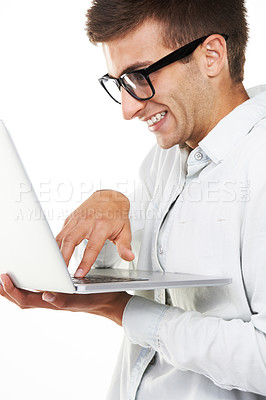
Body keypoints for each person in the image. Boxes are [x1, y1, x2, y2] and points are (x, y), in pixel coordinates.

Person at [1, 0, 266, 398]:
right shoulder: (163, 160)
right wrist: (109, 223)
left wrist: (121, 309)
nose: (128, 109)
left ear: (211, 56)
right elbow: (151, 274)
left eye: (139, 76)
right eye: (118, 83)